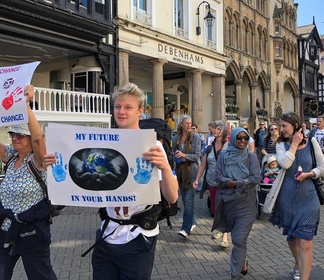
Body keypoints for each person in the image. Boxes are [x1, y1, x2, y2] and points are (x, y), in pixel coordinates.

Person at [91, 83, 178, 279]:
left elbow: (172, 196)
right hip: (107, 234)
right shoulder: (104, 143)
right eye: (117, 106)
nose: (121, 112)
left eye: (128, 107)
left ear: (140, 111)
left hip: (138, 237)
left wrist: (164, 167)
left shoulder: (152, 145)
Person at [0, 85, 58, 280]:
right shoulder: (10, 156)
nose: (15, 138)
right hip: (6, 229)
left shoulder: (38, 160)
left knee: (41, 276)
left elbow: (38, 137)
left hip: (32, 231)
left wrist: (25, 105)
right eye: (13, 134)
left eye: (20, 135)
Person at [269, 112, 324, 280]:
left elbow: (323, 168)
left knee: (305, 242)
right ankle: (297, 263)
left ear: (295, 126)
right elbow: (285, 164)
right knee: (292, 239)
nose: (281, 129)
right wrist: (293, 145)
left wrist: (309, 174)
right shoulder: (280, 145)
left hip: (309, 197)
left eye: (284, 126)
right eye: (280, 126)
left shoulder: (312, 142)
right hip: (287, 198)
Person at [211, 127, 260, 280]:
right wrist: (239, 183)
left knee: (238, 238)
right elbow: (217, 178)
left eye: (245, 138)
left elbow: (255, 179)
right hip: (228, 203)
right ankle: (242, 261)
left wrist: (233, 183)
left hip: (247, 204)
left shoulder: (251, 158)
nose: (242, 141)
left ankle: (235, 274)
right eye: (239, 138)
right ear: (232, 139)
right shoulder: (223, 156)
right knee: (240, 240)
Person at [193, 122, 229, 247]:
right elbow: (203, 164)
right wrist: (197, 179)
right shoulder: (209, 147)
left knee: (223, 208)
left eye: (218, 129)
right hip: (211, 181)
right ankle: (220, 228)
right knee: (214, 209)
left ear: (224, 131)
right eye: (215, 128)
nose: (215, 130)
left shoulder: (228, 147)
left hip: (225, 183)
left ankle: (225, 237)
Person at [173, 115, 202, 240]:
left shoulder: (196, 137)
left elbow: (197, 156)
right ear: (181, 125)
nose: (189, 125)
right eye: (186, 123)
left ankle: (185, 229)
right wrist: (177, 156)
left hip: (192, 174)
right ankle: (193, 221)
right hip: (181, 173)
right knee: (185, 201)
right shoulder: (176, 138)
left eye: (190, 123)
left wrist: (184, 155)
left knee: (189, 203)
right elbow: (174, 155)